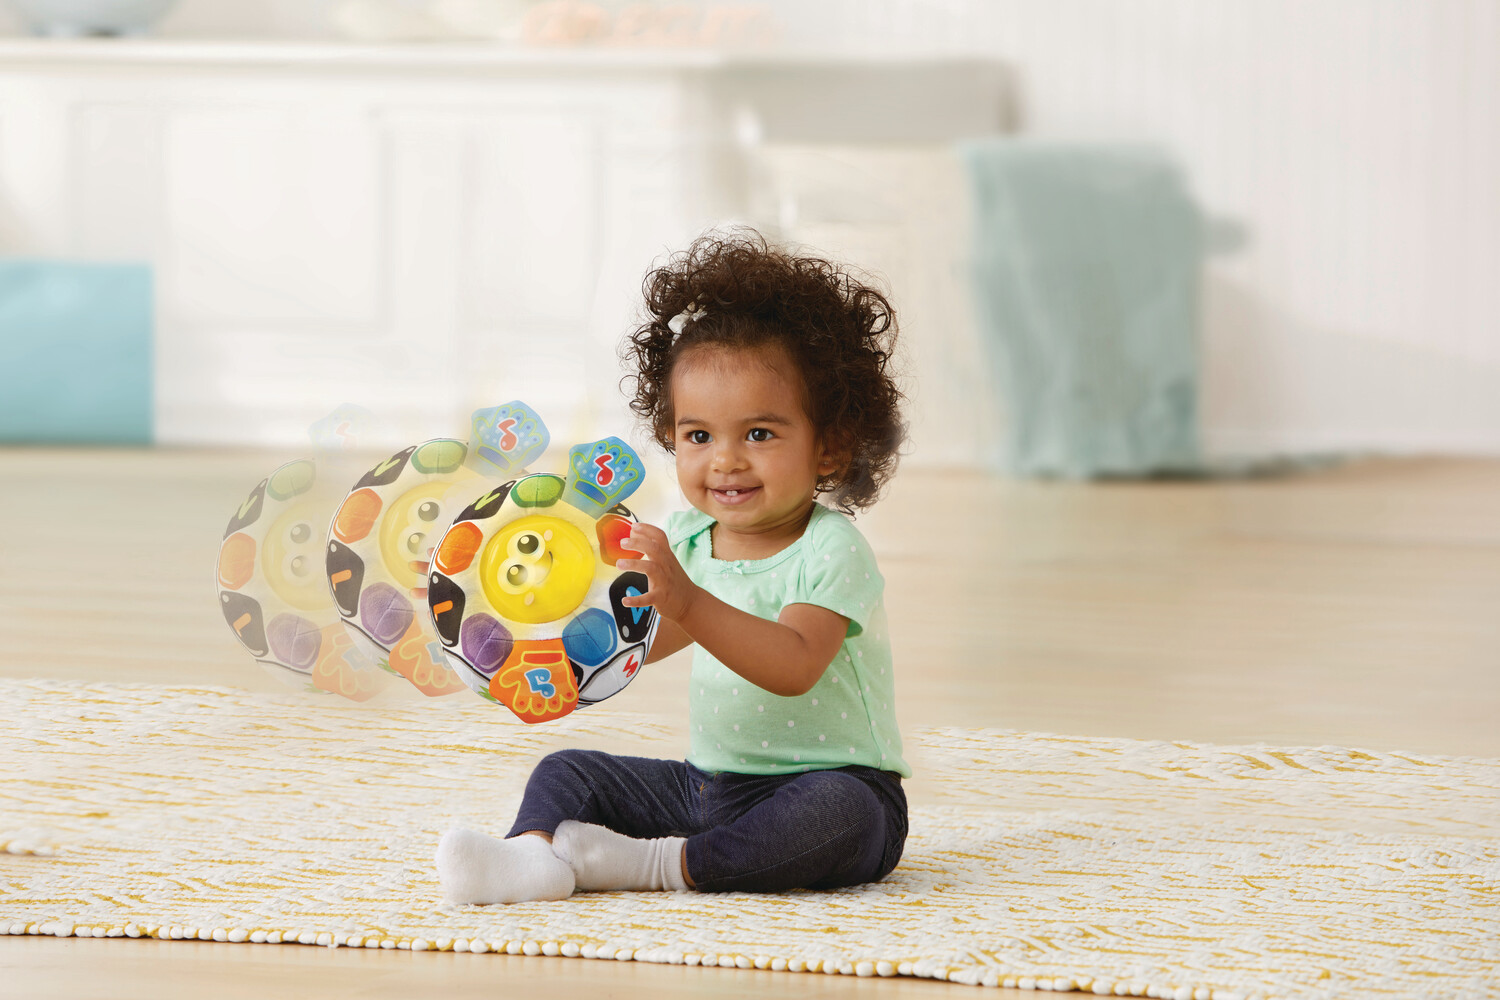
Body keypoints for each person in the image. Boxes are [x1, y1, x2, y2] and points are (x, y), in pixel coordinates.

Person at [435, 230, 909, 902]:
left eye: (760, 433)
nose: (726, 459)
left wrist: (685, 599)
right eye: (699, 435)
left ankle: (658, 866)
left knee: (841, 815)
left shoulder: (830, 549)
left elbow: (795, 664)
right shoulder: (687, 540)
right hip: (708, 787)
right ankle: (530, 857)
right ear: (672, 435)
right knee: (568, 770)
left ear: (828, 448)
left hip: (834, 783)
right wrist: (520, 642)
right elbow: (636, 645)